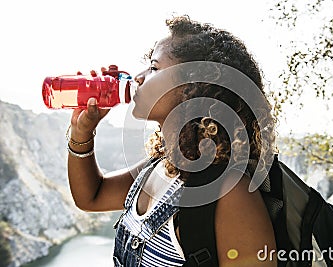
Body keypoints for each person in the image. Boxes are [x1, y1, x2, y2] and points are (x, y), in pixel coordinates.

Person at [67, 16, 277, 267]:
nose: (138, 77)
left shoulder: (230, 193)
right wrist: (82, 131)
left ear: (195, 86)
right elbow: (92, 196)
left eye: (154, 68)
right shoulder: (158, 167)